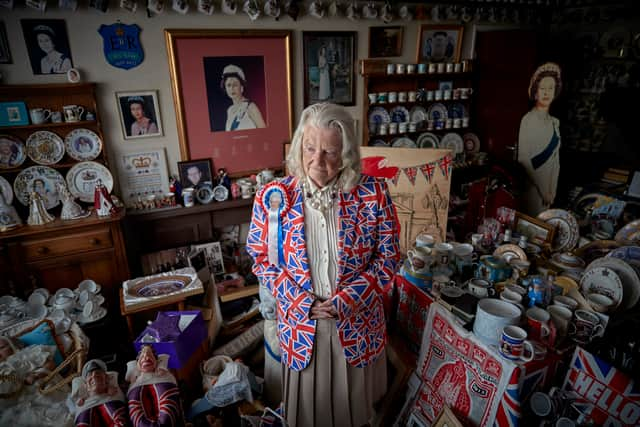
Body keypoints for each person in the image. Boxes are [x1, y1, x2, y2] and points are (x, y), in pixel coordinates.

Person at [246, 102, 401, 427]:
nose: (317, 161)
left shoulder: (374, 193)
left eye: (330, 152)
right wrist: (300, 302)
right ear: (300, 144)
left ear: (346, 153)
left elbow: (387, 257)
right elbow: (262, 259)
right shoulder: (273, 196)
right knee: (308, 416)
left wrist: (348, 299)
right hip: (302, 328)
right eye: (310, 148)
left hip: (356, 325)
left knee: (355, 414)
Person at [517, 62, 562, 215]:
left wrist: (552, 190)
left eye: (551, 88)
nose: (546, 92)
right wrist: (543, 189)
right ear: (536, 91)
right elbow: (524, 159)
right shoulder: (528, 120)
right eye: (543, 88)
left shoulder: (555, 123)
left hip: (548, 192)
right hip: (532, 186)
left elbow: (556, 160)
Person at [221, 64, 266, 131]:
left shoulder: (250, 107)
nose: (232, 88)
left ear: (242, 87)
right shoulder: (229, 110)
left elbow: (264, 132)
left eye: (235, 85)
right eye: (228, 85)